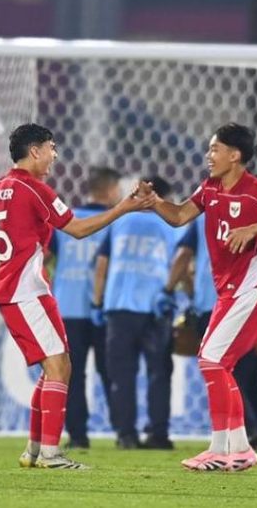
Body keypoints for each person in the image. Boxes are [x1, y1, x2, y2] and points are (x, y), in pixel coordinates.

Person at [0, 123, 154, 470]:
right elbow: (77, 229)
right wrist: (123, 207)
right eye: (51, 147)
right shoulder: (35, 189)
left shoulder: (0, 186)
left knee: (54, 369)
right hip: (25, 288)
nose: (54, 155)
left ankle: (34, 451)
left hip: (20, 287)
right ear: (34, 151)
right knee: (59, 366)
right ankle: (51, 454)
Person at [150, 122, 257, 472]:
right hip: (227, 295)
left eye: (215, 149)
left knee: (212, 362)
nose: (209, 155)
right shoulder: (210, 189)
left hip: (250, 291)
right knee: (218, 365)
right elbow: (179, 216)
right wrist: (155, 202)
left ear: (235, 156)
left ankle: (229, 449)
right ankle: (233, 449)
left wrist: (254, 227)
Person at [92, 176, 181, 450]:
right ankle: (158, 434)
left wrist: (97, 303)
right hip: (156, 309)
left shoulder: (119, 222)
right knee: (159, 373)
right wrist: (175, 294)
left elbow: (102, 264)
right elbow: (181, 262)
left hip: (119, 309)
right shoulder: (171, 224)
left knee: (121, 375)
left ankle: (125, 434)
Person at [47, 166, 121, 449]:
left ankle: (78, 436)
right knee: (111, 371)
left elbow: (45, 256)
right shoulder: (114, 221)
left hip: (67, 307)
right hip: (104, 308)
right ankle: (123, 431)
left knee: (72, 375)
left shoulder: (67, 220)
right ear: (111, 190)